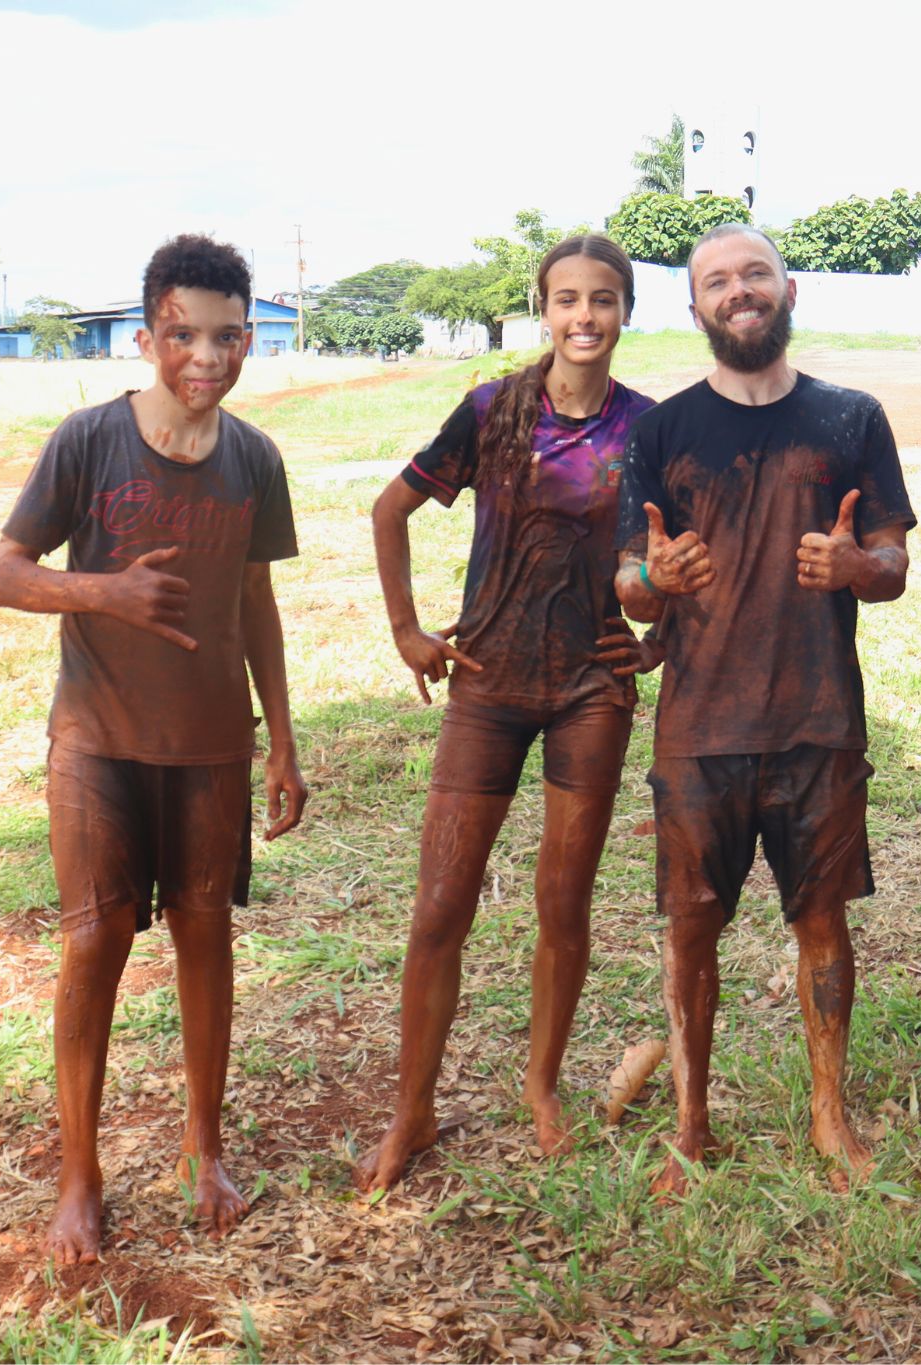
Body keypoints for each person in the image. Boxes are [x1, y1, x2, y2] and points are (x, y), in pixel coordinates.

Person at [0, 234, 308, 1263]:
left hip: (210, 748)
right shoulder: (87, 442)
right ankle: (79, 1175)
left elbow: (254, 600)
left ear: (247, 337)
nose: (205, 357)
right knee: (95, 944)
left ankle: (200, 1148)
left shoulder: (255, 459)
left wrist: (283, 740)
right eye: (181, 335)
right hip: (99, 740)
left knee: (206, 934)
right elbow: (1, 572)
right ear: (146, 335)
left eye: (225, 336)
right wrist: (100, 591)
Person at [354, 235, 662, 1192]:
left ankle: (541, 1086)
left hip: (589, 692)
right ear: (543, 309)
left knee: (562, 904)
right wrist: (408, 629)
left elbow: (681, 554)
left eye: (602, 300)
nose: (584, 317)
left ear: (625, 313)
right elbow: (387, 509)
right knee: (439, 907)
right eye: (566, 299)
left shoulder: (650, 429)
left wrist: (662, 644)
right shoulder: (492, 410)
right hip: (485, 682)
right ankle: (414, 1106)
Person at [614, 223, 914, 1199]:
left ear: (787, 291)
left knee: (820, 921)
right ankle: (691, 1122)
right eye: (716, 281)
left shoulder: (849, 419)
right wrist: (653, 580)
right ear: (695, 306)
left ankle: (829, 1112)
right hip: (698, 729)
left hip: (817, 723)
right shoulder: (660, 432)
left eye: (754, 275)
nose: (737, 291)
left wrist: (856, 565)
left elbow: (892, 566)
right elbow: (630, 576)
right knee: (689, 927)